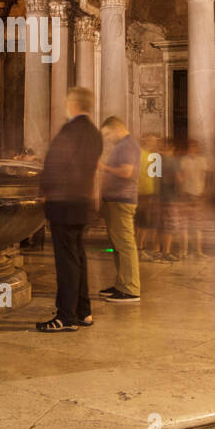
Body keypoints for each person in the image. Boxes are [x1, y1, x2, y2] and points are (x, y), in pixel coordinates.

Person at [36, 87, 103, 332]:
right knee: (78, 259)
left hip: (64, 202)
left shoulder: (70, 129)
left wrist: (44, 191)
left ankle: (65, 316)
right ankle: (84, 311)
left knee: (66, 262)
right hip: (82, 202)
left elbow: (54, 163)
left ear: (74, 104)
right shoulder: (95, 133)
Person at [98, 116, 140, 303]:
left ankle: (130, 289)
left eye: (107, 134)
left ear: (116, 129)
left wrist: (103, 167)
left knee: (124, 245)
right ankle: (121, 284)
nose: (107, 138)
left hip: (122, 200)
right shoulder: (124, 145)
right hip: (117, 200)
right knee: (118, 245)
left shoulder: (126, 146)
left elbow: (126, 172)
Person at [177, 138, 211, 258]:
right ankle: (184, 251)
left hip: (197, 193)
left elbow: (205, 176)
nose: (192, 149)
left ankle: (198, 250)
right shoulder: (183, 160)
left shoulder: (202, 160)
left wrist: (204, 190)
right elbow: (180, 176)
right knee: (184, 224)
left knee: (197, 224)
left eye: (194, 147)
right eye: (190, 147)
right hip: (186, 194)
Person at [135, 134, 162, 257]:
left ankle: (141, 247)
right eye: (151, 141)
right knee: (142, 222)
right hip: (141, 192)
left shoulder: (155, 156)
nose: (153, 143)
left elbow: (156, 176)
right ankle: (139, 248)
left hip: (149, 193)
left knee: (145, 222)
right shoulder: (140, 154)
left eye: (155, 141)